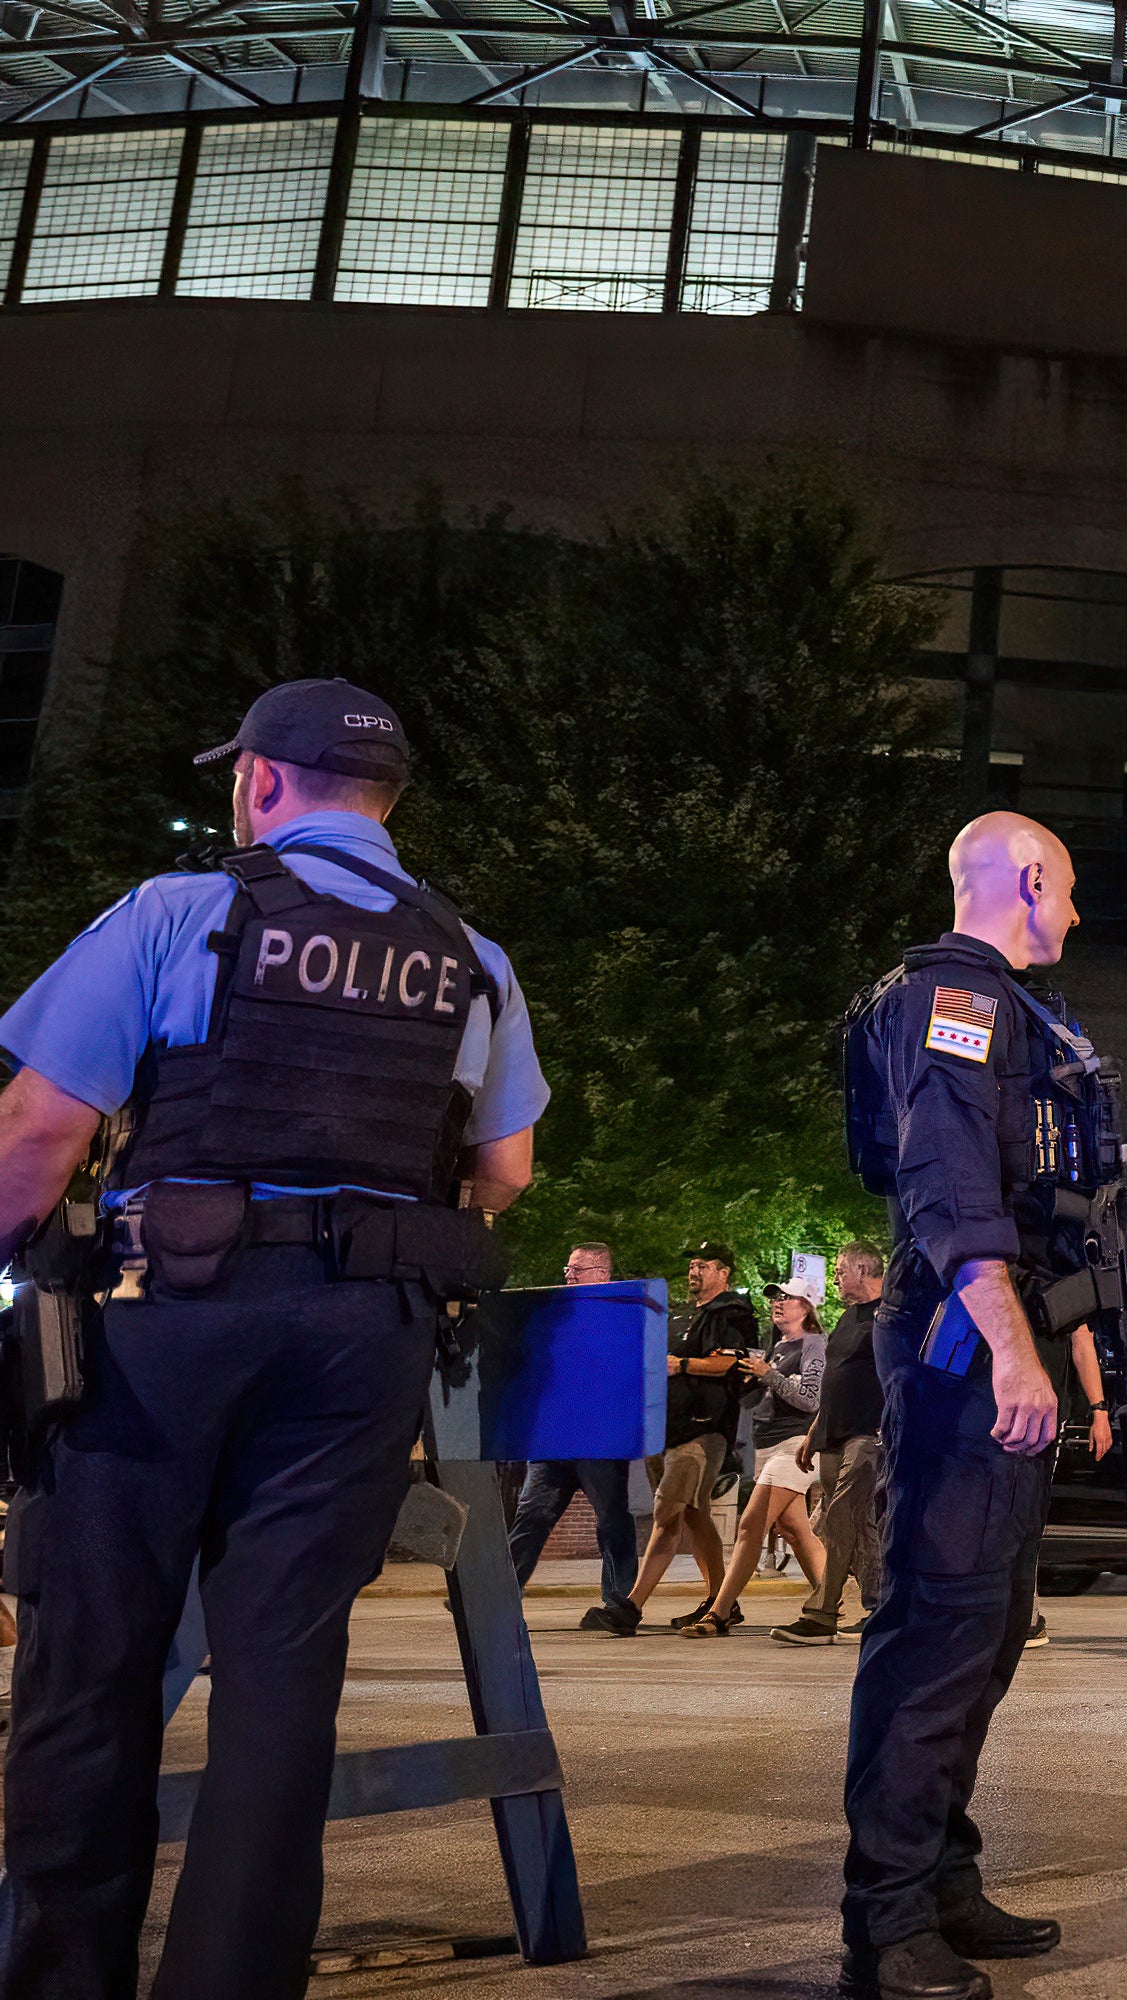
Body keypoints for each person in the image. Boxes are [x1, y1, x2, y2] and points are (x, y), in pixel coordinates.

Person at [0, 678, 546, 1997]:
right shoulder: (470, 957)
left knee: (96, 1654)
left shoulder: (180, 912)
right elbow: (506, 1169)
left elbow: (34, 1137)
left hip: (166, 1319)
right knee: (284, 1671)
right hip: (364, 1338)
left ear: (258, 780)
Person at [836, 811, 1127, 1996]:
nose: (1072, 913)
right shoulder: (955, 1000)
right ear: (1027, 878)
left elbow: (1028, 1178)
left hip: (997, 1322)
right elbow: (951, 1180)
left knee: (989, 1627)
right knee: (938, 1626)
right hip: (969, 1341)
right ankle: (889, 1914)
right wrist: (1015, 1349)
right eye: (1065, 891)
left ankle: (942, 1875)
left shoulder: (1016, 1010)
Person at [596, 1242, 761, 1633]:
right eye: (691, 1264)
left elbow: (727, 1364)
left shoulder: (731, 1312)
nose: (694, 1270)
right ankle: (723, 1600)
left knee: (668, 1511)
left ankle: (631, 1606)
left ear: (723, 1273)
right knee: (690, 1512)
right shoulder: (684, 1317)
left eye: (703, 1265)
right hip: (668, 1429)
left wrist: (680, 1364)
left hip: (703, 1430)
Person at [507, 1241, 642, 1624]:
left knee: (612, 1521)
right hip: (553, 1439)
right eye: (567, 1268)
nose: (568, 1274)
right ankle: (501, 1594)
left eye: (577, 1269)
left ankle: (619, 1603)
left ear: (602, 1274)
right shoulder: (554, 1317)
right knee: (531, 1514)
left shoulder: (620, 1318)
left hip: (599, 1440)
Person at [686, 1285, 831, 1635]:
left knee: (751, 1525)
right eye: (774, 1298)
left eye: (786, 1298)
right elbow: (757, 1403)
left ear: (806, 1306)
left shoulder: (815, 1343)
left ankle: (719, 1612)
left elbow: (811, 1400)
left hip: (794, 1444)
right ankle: (829, 1607)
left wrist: (769, 1374)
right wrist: (746, 1379)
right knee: (795, 1531)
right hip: (767, 1446)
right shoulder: (777, 1346)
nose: (777, 1304)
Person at [778, 1241, 891, 1644]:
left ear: (863, 1269)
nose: (836, 1277)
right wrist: (815, 1431)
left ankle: (822, 1613)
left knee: (840, 1516)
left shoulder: (891, 1314)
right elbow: (836, 1378)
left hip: (869, 1432)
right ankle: (881, 1607)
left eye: (841, 1271)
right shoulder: (847, 1318)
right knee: (856, 1526)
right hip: (833, 1433)